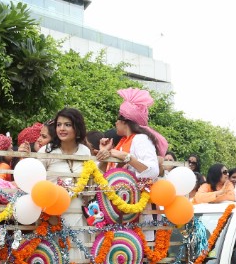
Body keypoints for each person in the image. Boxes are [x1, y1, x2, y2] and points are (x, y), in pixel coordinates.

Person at [41, 107, 92, 236]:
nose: (62, 129)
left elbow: (93, 177)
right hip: (52, 214)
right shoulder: (46, 151)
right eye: (59, 125)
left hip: (78, 212)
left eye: (67, 125)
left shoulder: (84, 151)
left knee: (78, 251)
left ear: (77, 128)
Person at [94, 88, 166, 179]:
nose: (115, 123)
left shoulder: (141, 139)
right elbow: (108, 174)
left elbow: (153, 171)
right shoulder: (123, 141)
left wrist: (126, 157)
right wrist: (104, 152)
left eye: (117, 120)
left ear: (124, 121)